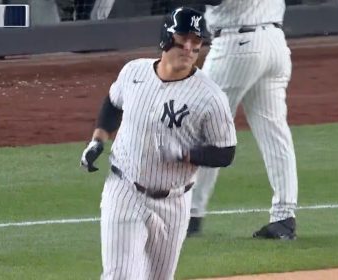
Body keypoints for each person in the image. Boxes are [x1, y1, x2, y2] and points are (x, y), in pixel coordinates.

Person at [80, 7, 237, 279]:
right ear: (166, 37)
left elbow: (226, 152)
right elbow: (113, 103)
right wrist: (98, 140)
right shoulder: (134, 72)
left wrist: (188, 154)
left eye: (197, 41)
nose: (189, 47)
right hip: (124, 189)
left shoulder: (210, 97)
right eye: (184, 37)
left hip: (175, 202)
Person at [187, 0, 299, 240]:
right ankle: (284, 217)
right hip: (275, 43)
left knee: (203, 125)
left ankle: (190, 214)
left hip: (237, 45)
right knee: (275, 132)